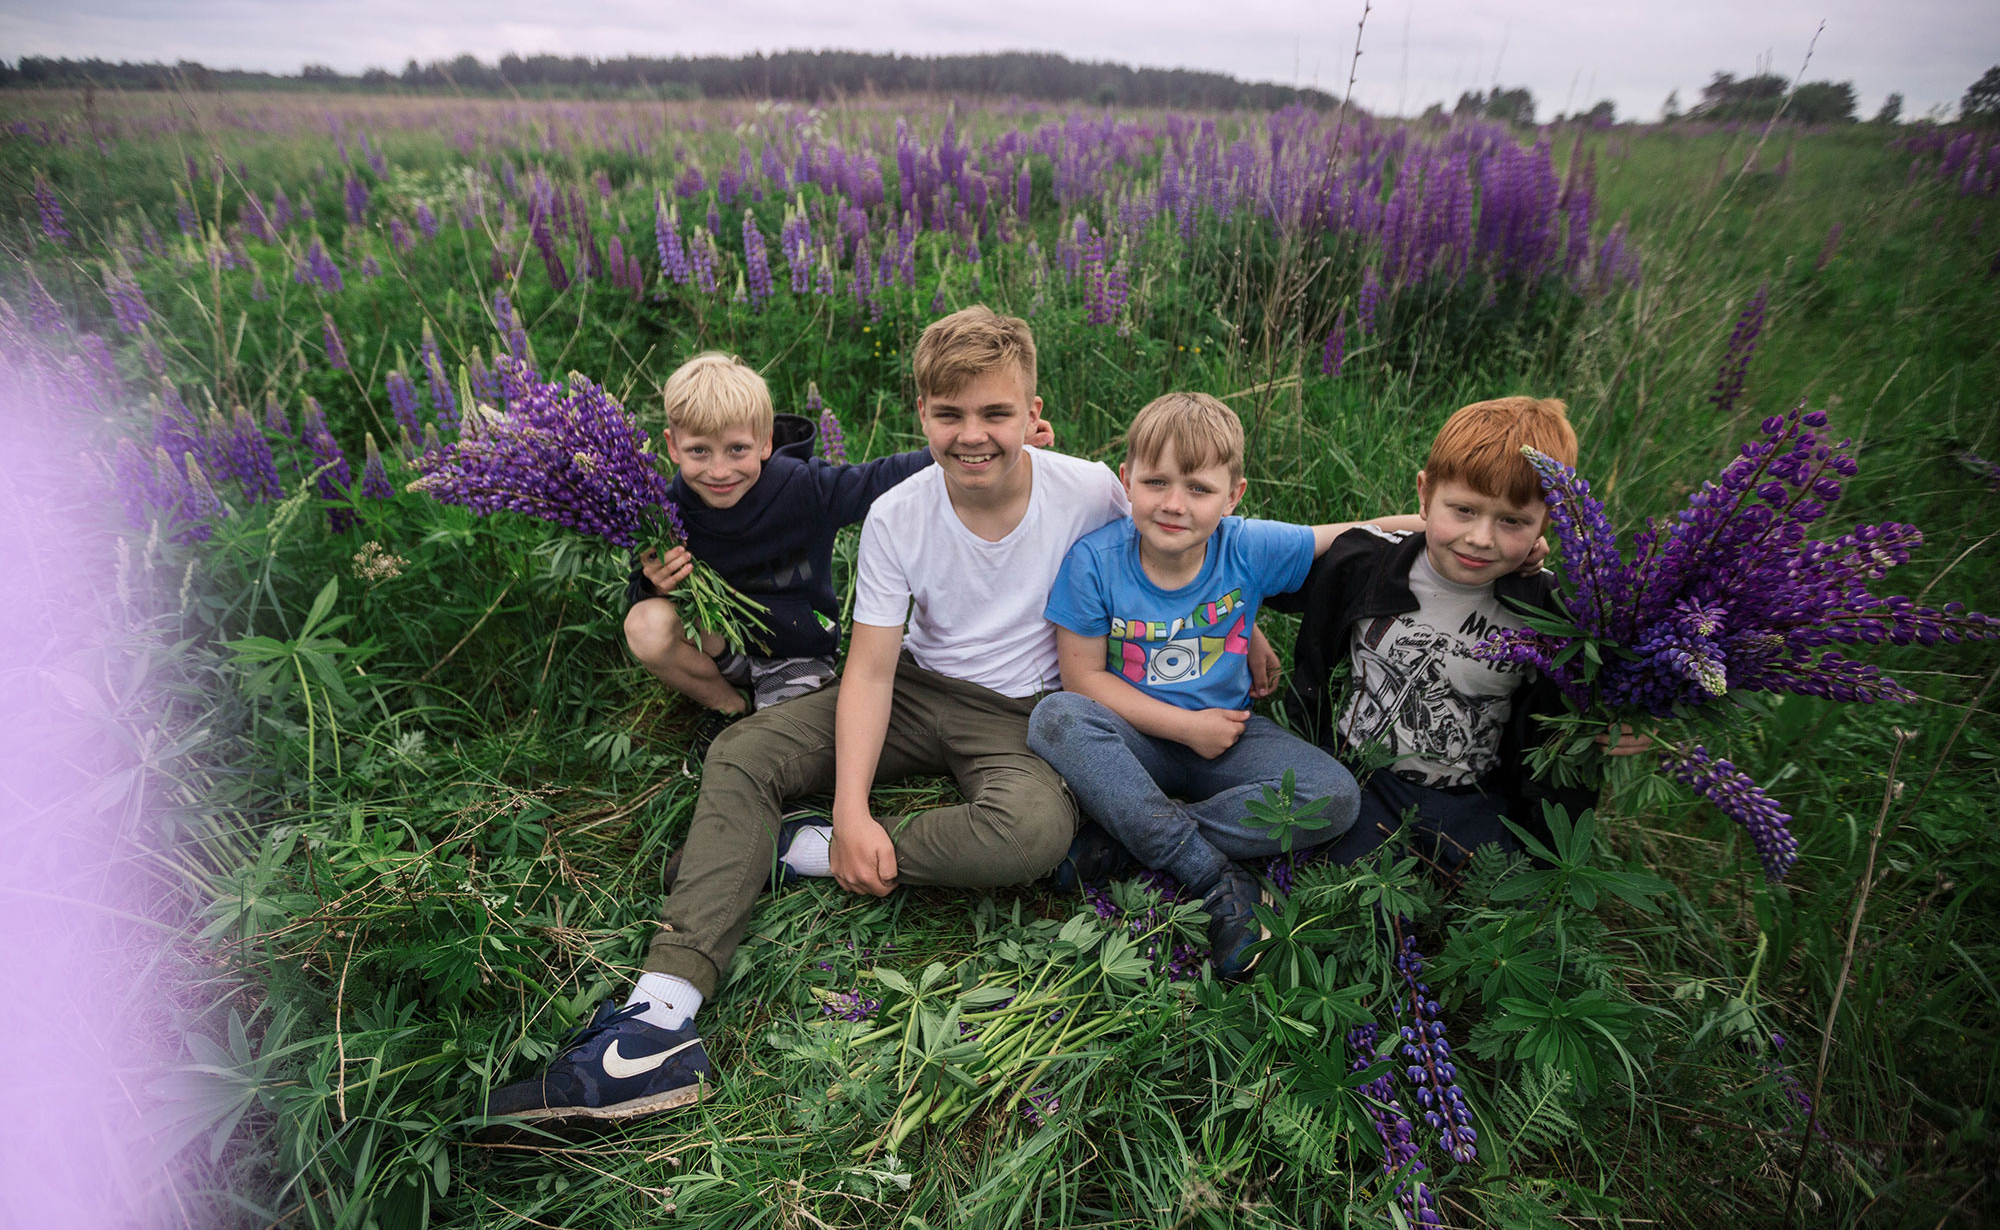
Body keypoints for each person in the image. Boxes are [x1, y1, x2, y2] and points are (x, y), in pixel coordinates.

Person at [482, 307, 1136, 1126]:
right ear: (922, 416)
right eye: (950, 414)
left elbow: (1169, 560)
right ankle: (657, 1018)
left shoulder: (1089, 488)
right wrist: (854, 803)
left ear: (1033, 413)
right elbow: (866, 670)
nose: (973, 435)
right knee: (746, 749)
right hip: (913, 685)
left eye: (996, 413)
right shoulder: (901, 512)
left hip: (1023, 712)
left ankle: (800, 851)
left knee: (1034, 830)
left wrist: (1246, 621)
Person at [1025, 393, 1418, 976]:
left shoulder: (1247, 544)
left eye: (1199, 489)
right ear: (1127, 480)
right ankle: (1211, 872)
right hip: (1132, 741)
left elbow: (1361, 534)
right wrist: (1186, 726)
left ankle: (1133, 838)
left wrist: (1458, 534)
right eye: (1156, 483)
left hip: (1230, 738)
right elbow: (1082, 680)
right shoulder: (1095, 562)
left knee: (1334, 796)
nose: (1174, 505)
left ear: (1233, 495)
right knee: (1054, 718)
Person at [1270, 396, 1633, 871]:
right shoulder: (1368, 563)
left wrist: (1623, 724)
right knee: (1332, 881)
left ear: (1549, 521)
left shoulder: (1557, 609)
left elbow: (1611, 691)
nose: (1481, 538)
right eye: (1463, 510)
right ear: (1424, 494)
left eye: (1513, 521)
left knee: (1504, 903)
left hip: (1470, 797)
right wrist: (1251, 636)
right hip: (1356, 775)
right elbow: (1252, 565)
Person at [622, 352, 1048, 736]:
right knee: (645, 625)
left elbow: (878, 478)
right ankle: (728, 707)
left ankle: (764, 717)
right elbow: (634, 594)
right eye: (699, 451)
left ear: (765, 442)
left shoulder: (801, 488)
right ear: (672, 447)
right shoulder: (664, 510)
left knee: (782, 738)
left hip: (794, 649)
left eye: (737, 449)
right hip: (720, 646)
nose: (719, 470)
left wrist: (982, 449)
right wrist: (653, 584)